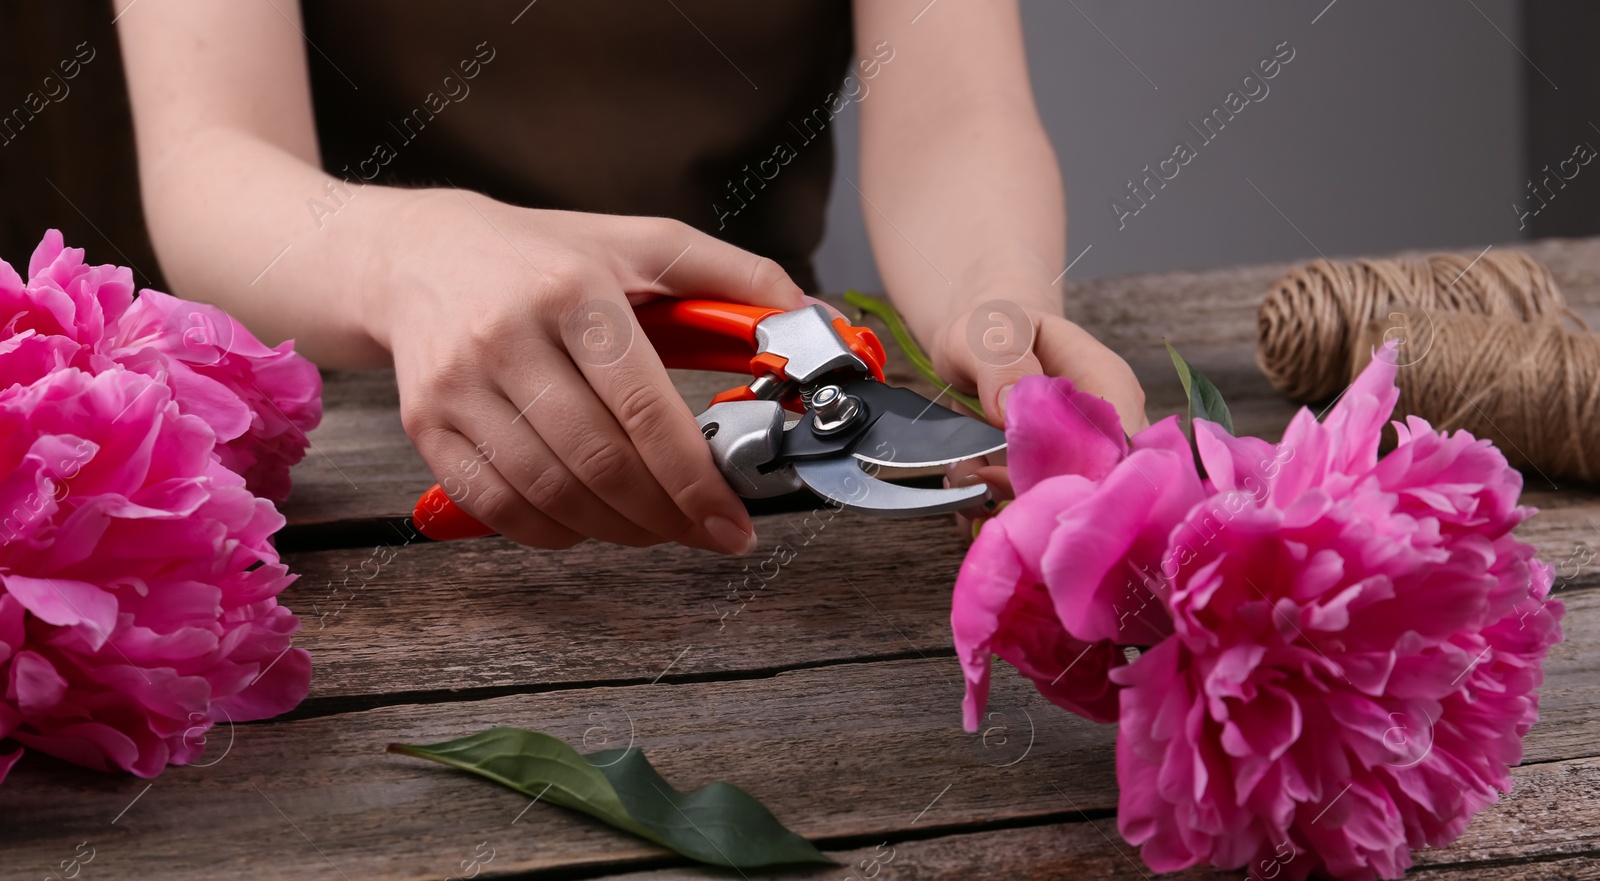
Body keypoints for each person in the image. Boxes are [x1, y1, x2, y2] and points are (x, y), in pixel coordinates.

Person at [114, 0, 1145, 555]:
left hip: (758, 367)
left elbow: (954, 117)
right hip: (355, 419)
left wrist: (996, 300)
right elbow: (213, 154)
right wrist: (409, 254)